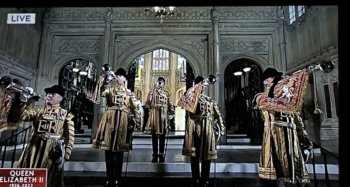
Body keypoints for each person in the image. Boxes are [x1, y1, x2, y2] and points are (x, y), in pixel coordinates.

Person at [254, 67, 313, 186]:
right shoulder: (261, 97)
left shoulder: (288, 98)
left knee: (294, 165)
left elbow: (296, 117)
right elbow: (267, 101)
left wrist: (304, 136)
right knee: (276, 164)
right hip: (273, 134)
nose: (265, 82)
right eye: (272, 79)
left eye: (269, 79)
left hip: (291, 135)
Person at [10, 84, 75, 187]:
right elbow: (19, 117)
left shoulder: (66, 114)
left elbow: (70, 137)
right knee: (29, 179)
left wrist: (65, 156)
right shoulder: (38, 111)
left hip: (51, 151)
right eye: (48, 93)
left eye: (52, 94)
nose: (48, 95)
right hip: (33, 149)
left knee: (49, 180)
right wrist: (23, 101)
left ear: (60, 98)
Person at [92, 68, 140, 187]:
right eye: (117, 75)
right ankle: (109, 177)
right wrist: (104, 80)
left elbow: (134, 108)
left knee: (119, 152)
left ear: (125, 78)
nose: (119, 78)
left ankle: (118, 177)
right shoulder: (110, 89)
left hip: (123, 121)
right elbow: (102, 92)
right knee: (108, 150)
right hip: (110, 119)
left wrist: (136, 121)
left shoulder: (129, 93)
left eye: (121, 76)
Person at [181, 76, 225, 187]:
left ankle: (205, 178)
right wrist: (195, 88)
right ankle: (195, 178)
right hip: (194, 126)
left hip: (208, 127)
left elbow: (217, 114)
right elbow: (186, 103)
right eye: (199, 84)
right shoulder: (190, 96)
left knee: (207, 155)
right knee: (194, 155)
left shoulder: (209, 99)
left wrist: (221, 127)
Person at [143, 77, 173, 163]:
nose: (160, 83)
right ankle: (155, 155)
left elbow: (170, 104)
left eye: (162, 82)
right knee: (154, 137)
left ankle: (162, 154)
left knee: (163, 136)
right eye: (159, 82)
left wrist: (171, 113)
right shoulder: (152, 92)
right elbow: (147, 103)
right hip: (155, 116)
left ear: (164, 84)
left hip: (163, 117)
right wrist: (153, 91)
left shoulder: (166, 93)